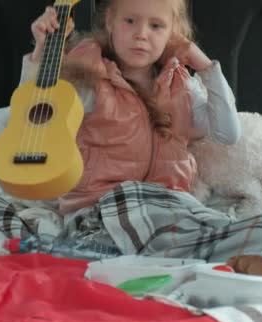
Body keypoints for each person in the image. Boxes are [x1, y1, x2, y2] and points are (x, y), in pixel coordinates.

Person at [21, 0, 241, 223]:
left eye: (156, 26)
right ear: (110, 22)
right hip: (98, 206)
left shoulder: (181, 86)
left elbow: (228, 133)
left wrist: (204, 66)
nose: (141, 34)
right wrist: (41, 51)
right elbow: (36, 124)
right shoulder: (89, 79)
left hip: (168, 204)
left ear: (173, 33)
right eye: (130, 21)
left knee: (224, 228)